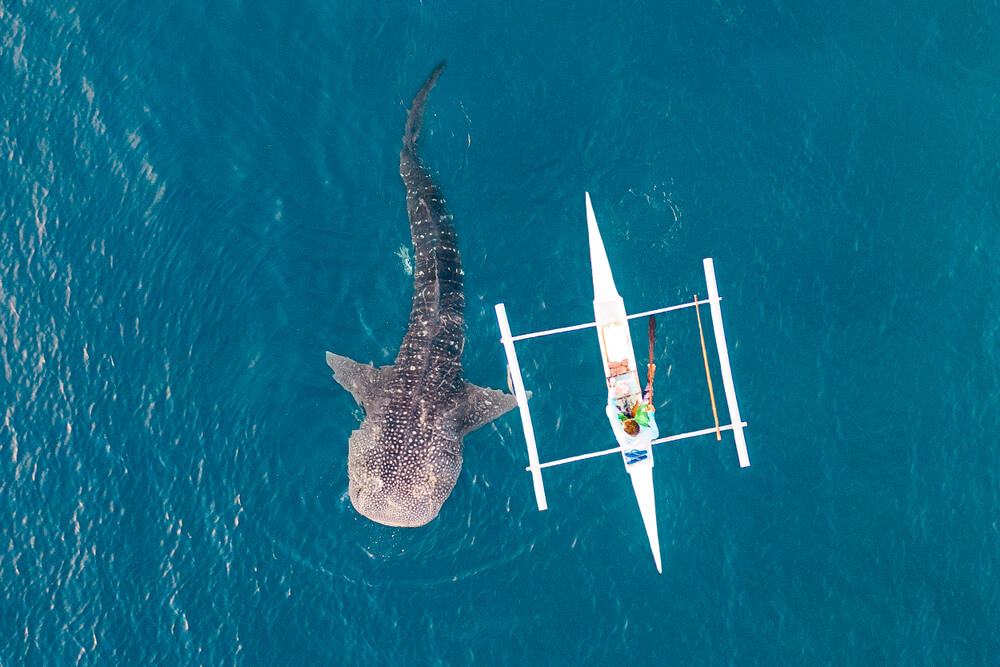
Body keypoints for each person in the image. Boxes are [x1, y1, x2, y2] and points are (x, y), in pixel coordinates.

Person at [605, 386, 658, 462]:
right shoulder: (647, 433)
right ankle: (650, 383)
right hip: (641, 423)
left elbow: (613, 416)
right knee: (647, 402)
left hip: (638, 428)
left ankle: (628, 412)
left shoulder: (620, 434)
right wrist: (651, 414)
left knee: (609, 409)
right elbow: (656, 434)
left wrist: (611, 396)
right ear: (638, 427)